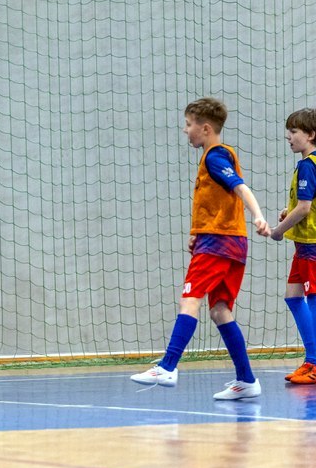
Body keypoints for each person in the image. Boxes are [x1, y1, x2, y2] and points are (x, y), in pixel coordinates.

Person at [130, 98, 270, 399]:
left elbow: (240, 187)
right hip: (232, 241)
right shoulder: (215, 157)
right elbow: (215, 203)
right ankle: (247, 380)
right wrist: (197, 232)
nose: (185, 130)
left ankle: (168, 366)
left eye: (188, 124)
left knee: (190, 299)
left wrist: (258, 215)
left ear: (205, 128)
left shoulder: (215, 157)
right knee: (220, 310)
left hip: (218, 242)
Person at [269, 108, 316, 385]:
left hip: (311, 245)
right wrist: (290, 212)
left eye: (294, 131)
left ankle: (314, 362)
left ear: (311, 134)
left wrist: (279, 230)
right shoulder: (307, 164)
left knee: (312, 298)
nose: (289, 136)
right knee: (292, 296)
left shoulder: (309, 164)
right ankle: (311, 358)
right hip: (303, 246)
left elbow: (305, 207)